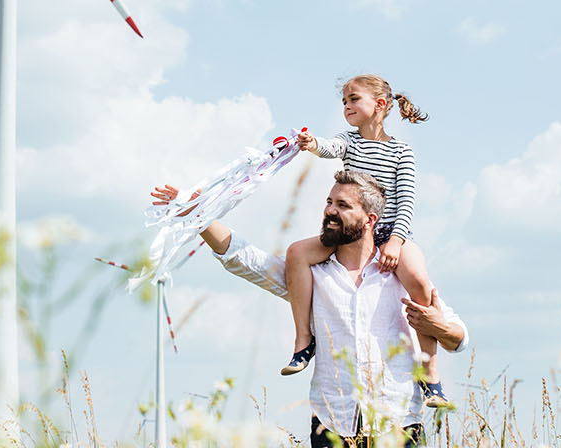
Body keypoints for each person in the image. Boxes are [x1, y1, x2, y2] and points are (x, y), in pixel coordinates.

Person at [150, 172, 468, 447]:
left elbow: (458, 338)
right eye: (329, 202)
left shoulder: (401, 276)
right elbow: (243, 258)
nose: (330, 211)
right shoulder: (311, 276)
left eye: (343, 206)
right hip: (332, 427)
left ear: (370, 220)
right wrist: (198, 213)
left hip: (399, 425)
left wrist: (439, 327)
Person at [280, 74, 447, 406]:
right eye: (343, 102)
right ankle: (303, 340)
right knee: (297, 253)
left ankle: (430, 373)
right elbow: (330, 147)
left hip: (390, 231)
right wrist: (311, 143)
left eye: (353, 99)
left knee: (419, 281)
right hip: (351, 230)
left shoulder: (402, 152)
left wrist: (396, 242)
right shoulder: (350, 141)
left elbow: (406, 201)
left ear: (380, 105)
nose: (346, 106)